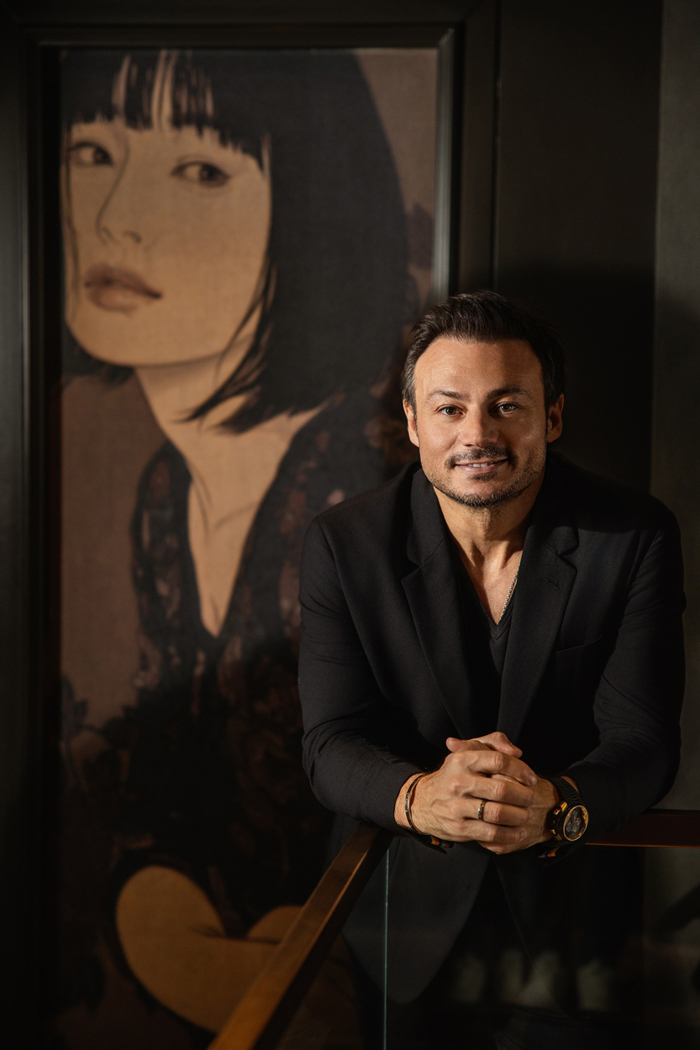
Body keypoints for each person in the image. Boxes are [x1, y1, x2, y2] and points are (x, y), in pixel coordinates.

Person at [57, 46, 414, 1041]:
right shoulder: (165, 495)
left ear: (308, 214)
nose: (116, 216)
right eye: (92, 153)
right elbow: (173, 799)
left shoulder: (367, 486)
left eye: (200, 168)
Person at [299, 291, 685, 1048]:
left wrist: (556, 806)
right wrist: (420, 798)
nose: (477, 434)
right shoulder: (345, 544)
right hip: (403, 922)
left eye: (506, 406)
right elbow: (329, 742)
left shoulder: (634, 536)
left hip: (575, 925)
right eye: (449, 409)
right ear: (413, 423)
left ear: (553, 416)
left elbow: (644, 742)